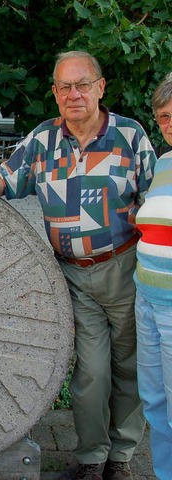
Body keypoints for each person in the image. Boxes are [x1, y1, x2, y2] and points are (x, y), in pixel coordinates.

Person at [0, 51, 155, 480]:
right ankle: (91, 458)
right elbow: (6, 179)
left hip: (124, 270)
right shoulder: (43, 140)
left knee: (129, 368)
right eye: (64, 86)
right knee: (91, 372)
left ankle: (121, 457)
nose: (74, 94)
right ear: (55, 94)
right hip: (73, 276)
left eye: (82, 84)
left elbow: (153, 203)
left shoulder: (130, 136)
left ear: (101, 87)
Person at [134, 73, 172, 479]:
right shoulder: (164, 162)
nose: (169, 125)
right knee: (156, 403)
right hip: (146, 298)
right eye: (163, 117)